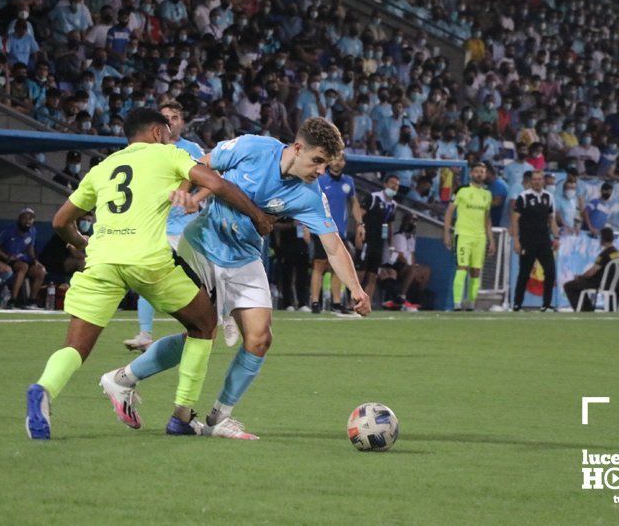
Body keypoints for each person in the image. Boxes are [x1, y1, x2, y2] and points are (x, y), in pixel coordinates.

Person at [101, 117, 371, 440]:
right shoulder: (252, 147)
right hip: (201, 246)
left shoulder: (310, 195)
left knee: (259, 338)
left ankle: (218, 417)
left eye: (326, 165)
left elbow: (334, 246)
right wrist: (187, 194)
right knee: (201, 333)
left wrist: (356, 289)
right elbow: (199, 163)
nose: (321, 171)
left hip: (244, 256)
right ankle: (127, 380)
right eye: (317, 161)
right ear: (298, 148)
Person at [25, 108, 273, 440]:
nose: (172, 138)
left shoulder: (103, 168)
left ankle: (43, 390)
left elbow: (60, 222)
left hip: (102, 261)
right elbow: (216, 182)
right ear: (157, 132)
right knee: (203, 325)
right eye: (169, 132)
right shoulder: (168, 155)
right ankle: (182, 415)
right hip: (147, 260)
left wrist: (82, 243)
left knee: (75, 347)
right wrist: (256, 214)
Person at [124, 101, 205, 351]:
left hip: (185, 226)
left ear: (182, 122)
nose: (170, 121)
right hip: (155, 226)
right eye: (165, 117)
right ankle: (145, 333)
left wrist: (194, 199)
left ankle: (214, 317)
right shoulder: (145, 150)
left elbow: (211, 180)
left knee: (197, 277)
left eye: (175, 116)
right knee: (148, 276)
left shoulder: (192, 149)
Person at [309, 152, 362, 316]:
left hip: (340, 231)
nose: (339, 162)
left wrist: (360, 224)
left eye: (342, 159)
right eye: (336, 158)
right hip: (320, 229)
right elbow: (309, 202)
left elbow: (354, 204)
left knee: (338, 267)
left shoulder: (349, 182)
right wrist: (305, 226)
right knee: (319, 265)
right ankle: (315, 302)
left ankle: (337, 302)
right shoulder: (320, 179)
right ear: (330, 161)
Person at [443, 162, 495, 311]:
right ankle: (457, 303)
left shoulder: (487, 194)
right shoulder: (462, 190)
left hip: (479, 237)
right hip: (463, 234)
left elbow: (487, 219)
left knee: (476, 270)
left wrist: (491, 239)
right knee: (462, 267)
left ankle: (471, 302)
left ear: (485, 175)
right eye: (477, 171)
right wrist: (446, 233)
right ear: (472, 173)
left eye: (482, 172)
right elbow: (449, 212)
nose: (480, 174)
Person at [511, 170, 560, 312]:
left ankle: (546, 304)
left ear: (543, 181)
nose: (537, 182)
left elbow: (551, 219)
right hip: (527, 241)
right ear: (531, 181)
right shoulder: (523, 197)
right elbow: (515, 219)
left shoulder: (548, 197)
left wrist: (556, 237)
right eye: (534, 179)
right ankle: (517, 304)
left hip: (544, 241)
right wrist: (516, 240)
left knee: (550, 272)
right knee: (524, 273)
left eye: (539, 179)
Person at [356, 175, 399, 300]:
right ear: (385, 184)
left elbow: (389, 226)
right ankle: (352, 302)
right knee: (360, 273)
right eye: (392, 183)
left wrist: (390, 245)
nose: (394, 186)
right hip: (366, 241)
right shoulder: (373, 198)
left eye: (397, 185)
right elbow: (359, 215)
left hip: (379, 244)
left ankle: (366, 303)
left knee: (373, 275)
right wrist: (358, 237)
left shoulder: (393, 205)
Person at [0, 208, 46, 309]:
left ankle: (31, 301)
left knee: (41, 271)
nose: (28, 221)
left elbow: (30, 248)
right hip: (8, 259)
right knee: (23, 267)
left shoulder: (32, 231)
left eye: (31, 219)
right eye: (25, 218)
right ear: (19, 218)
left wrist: (35, 260)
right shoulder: (9, 229)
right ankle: (12, 301)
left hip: (24, 259)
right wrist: (6, 257)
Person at [563, 227, 619, 312]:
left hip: (599, 283)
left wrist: (581, 277)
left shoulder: (604, 254)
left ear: (602, 239)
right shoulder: (617, 253)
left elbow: (592, 272)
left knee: (569, 285)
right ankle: (587, 308)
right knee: (579, 284)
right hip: (611, 283)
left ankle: (584, 310)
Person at [381, 213, 430, 310]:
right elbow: (400, 257)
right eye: (411, 221)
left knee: (426, 270)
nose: (413, 223)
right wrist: (413, 268)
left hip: (406, 267)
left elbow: (411, 255)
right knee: (412, 270)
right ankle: (401, 297)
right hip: (395, 266)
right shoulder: (398, 236)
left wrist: (415, 267)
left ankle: (417, 300)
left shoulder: (411, 238)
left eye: (415, 221)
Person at [39, 210, 93, 279]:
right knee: (82, 263)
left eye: (89, 221)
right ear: (77, 220)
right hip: (52, 261)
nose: (86, 223)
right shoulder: (69, 232)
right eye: (83, 220)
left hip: (67, 260)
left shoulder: (87, 234)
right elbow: (75, 253)